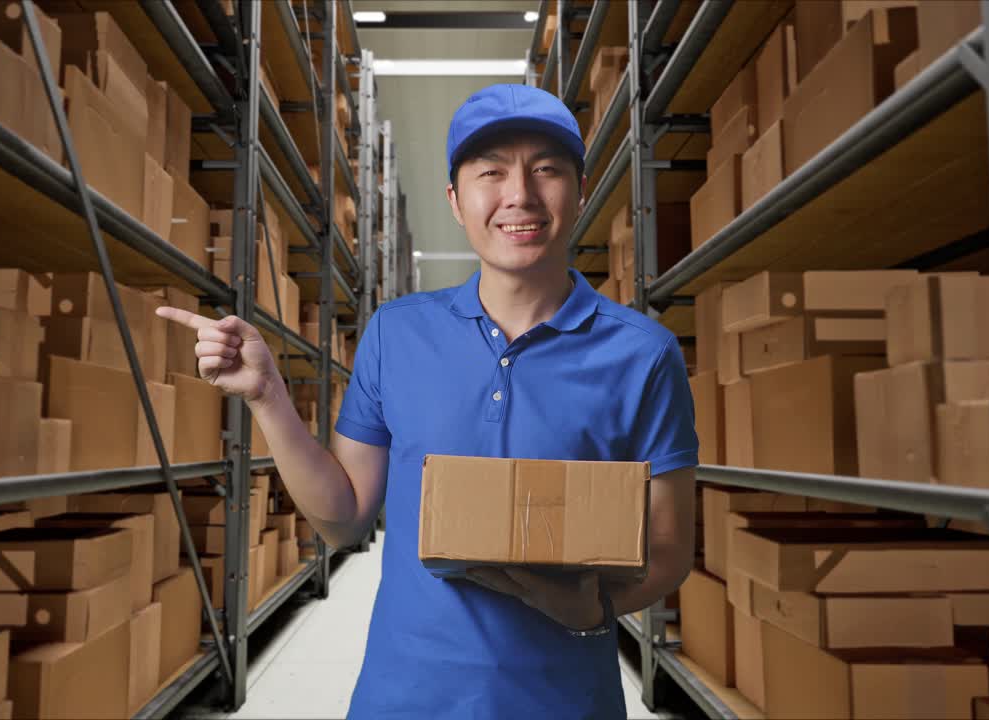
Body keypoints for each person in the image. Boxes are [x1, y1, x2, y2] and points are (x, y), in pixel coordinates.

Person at [158, 83, 698, 719]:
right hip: (406, 696)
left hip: (564, 699)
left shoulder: (645, 355)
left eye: (546, 170)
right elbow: (344, 518)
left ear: (580, 190)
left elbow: (667, 551)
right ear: (455, 199)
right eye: (490, 172)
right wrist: (269, 396)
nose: (518, 195)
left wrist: (593, 609)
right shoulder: (395, 332)